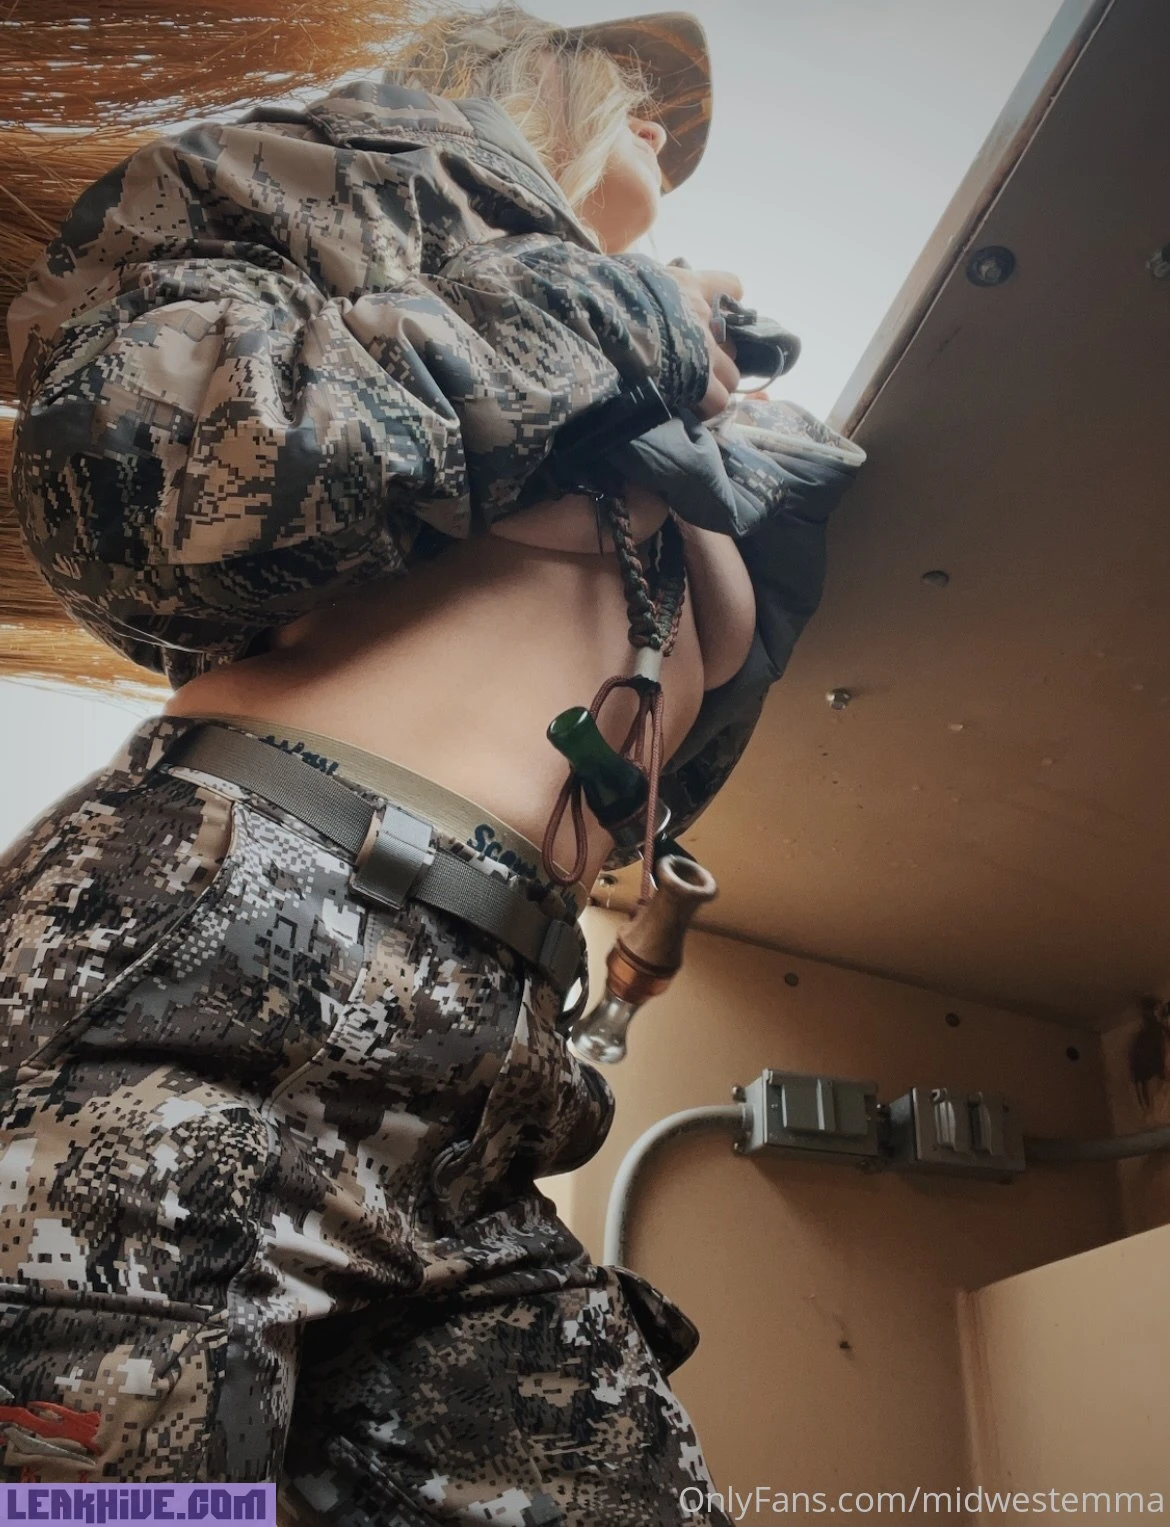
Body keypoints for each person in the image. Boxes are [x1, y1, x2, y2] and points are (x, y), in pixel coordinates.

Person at [0, 3, 864, 1518]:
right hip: (225, 938)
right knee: (113, 1509)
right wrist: (630, 313)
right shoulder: (327, 182)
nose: (660, 124)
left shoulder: (685, 423)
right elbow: (151, 483)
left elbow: (659, 756)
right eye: (632, 88)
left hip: (490, 1051)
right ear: (522, 86)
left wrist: (715, 402)